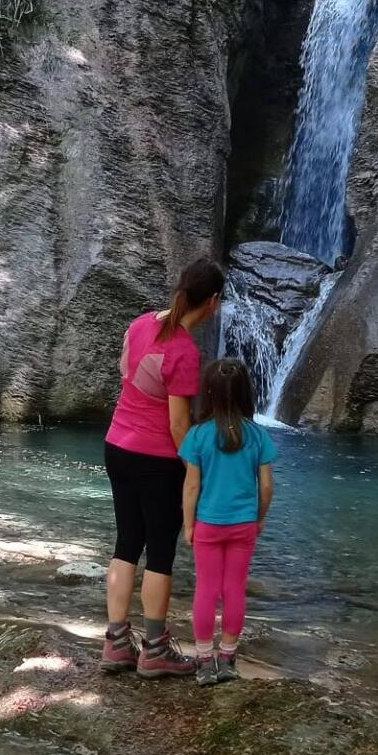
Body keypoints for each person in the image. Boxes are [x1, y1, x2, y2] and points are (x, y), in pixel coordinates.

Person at [101, 257, 225, 679]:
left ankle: (116, 642)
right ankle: (154, 649)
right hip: (156, 460)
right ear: (211, 302)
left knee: (126, 541)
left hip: (117, 444)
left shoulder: (140, 325)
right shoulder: (184, 352)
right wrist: (195, 467)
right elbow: (177, 424)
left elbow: (126, 374)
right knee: (161, 551)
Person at [177, 357, 275, 686]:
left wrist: (188, 524)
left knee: (206, 589)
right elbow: (266, 485)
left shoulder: (198, 435)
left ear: (208, 393)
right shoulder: (258, 436)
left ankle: (204, 661)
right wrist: (259, 519)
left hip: (208, 523)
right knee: (234, 589)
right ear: (247, 393)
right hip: (243, 524)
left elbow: (191, 486)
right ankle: (228, 658)